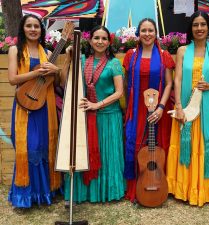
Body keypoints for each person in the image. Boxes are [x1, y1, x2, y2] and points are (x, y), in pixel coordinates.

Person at [166, 10, 209, 206]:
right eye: (195, 25)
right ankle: (184, 188)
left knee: (205, 143)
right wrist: (178, 106)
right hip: (185, 104)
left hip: (208, 105)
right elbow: (177, 79)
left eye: (203, 24)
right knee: (187, 144)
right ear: (190, 28)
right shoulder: (183, 51)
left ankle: (207, 190)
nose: (199, 28)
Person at [63, 25, 126, 203]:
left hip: (108, 116)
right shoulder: (81, 60)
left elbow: (119, 92)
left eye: (104, 38)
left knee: (107, 156)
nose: (100, 41)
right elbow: (63, 80)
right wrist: (69, 58)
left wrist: (96, 104)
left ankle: (107, 192)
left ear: (109, 42)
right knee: (85, 153)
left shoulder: (114, 63)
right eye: (96, 38)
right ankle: (83, 193)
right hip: (86, 117)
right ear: (90, 41)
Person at [7, 14, 62, 208]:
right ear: (23, 28)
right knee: (28, 148)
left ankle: (46, 192)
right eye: (29, 26)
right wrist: (36, 72)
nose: (32, 29)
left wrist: (55, 71)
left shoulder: (47, 52)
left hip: (45, 106)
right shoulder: (15, 50)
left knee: (45, 147)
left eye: (36, 26)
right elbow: (13, 79)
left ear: (42, 30)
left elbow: (55, 83)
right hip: (24, 105)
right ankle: (26, 195)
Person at [123, 18, 175, 202]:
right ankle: (135, 188)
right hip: (136, 109)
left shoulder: (164, 56)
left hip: (158, 108)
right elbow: (127, 82)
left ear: (156, 33)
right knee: (133, 142)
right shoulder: (131, 56)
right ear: (138, 33)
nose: (147, 34)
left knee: (157, 146)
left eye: (150, 30)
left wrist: (161, 107)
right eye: (143, 30)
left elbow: (169, 84)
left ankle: (158, 183)